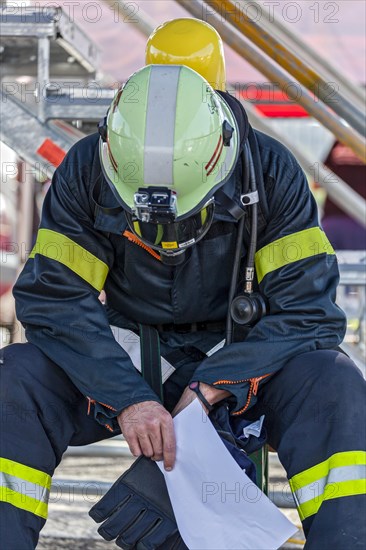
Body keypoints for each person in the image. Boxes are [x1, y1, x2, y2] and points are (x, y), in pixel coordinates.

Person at [1, 18, 365, 550]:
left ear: (220, 154)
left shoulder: (269, 172)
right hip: (129, 359)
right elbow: (55, 298)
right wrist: (128, 399)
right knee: (16, 380)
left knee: (334, 383)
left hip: (238, 359)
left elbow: (308, 311)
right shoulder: (86, 170)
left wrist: (214, 386)